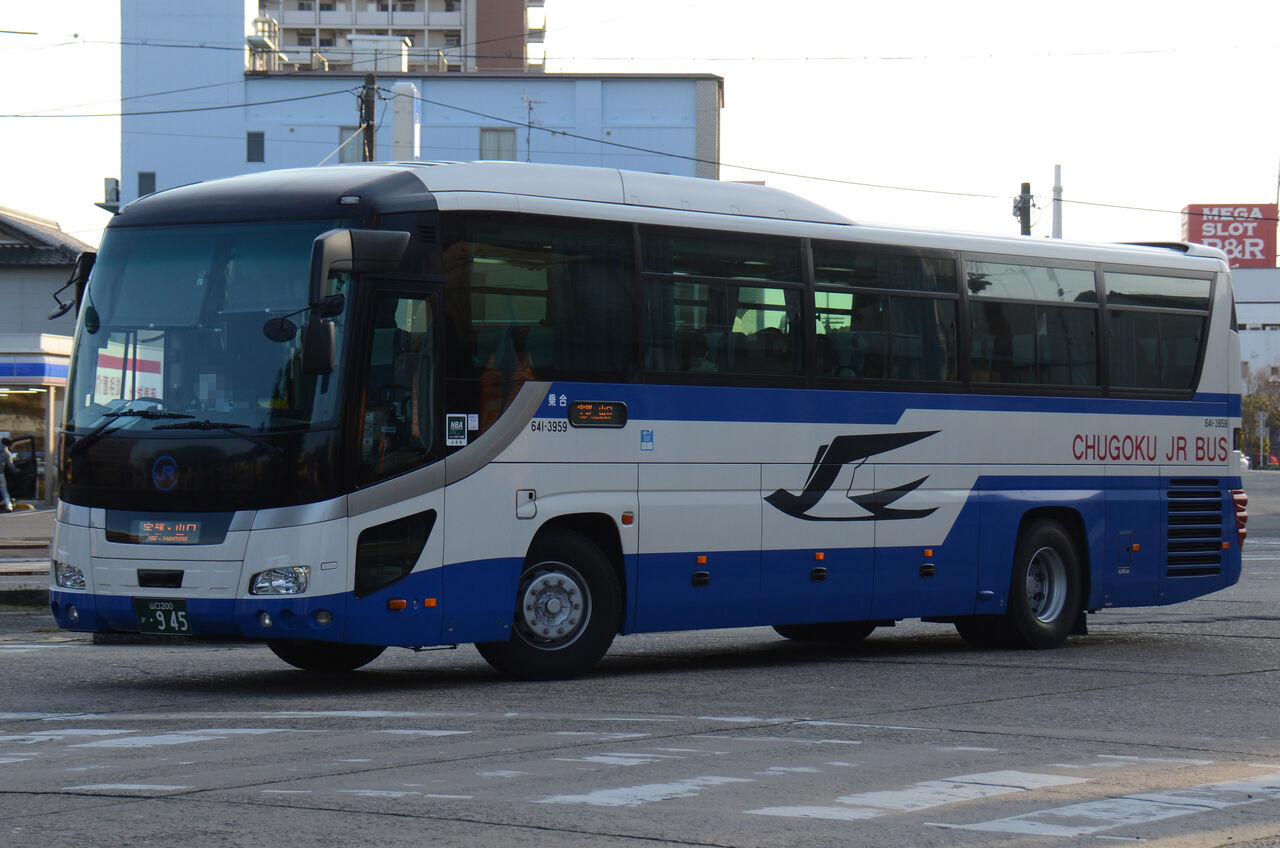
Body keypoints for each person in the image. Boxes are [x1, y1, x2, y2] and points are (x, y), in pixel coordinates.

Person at [0, 437, 17, 513]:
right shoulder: (7, 453)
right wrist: (15, 470)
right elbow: (10, 465)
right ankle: (8, 506)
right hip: (0, 473)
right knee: (4, 491)